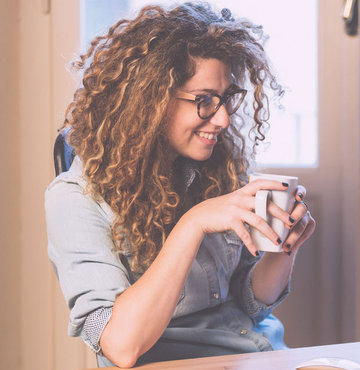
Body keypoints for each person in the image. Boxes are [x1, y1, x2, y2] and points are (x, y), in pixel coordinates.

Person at [45, 2, 316, 368]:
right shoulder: (76, 199)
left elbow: (248, 304)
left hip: (260, 355)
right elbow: (119, 346)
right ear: (149, 101)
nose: (221, 119)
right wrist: (193, 223)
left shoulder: (217, 170)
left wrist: (282, 249)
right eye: (203, 101)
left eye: (225, 99)